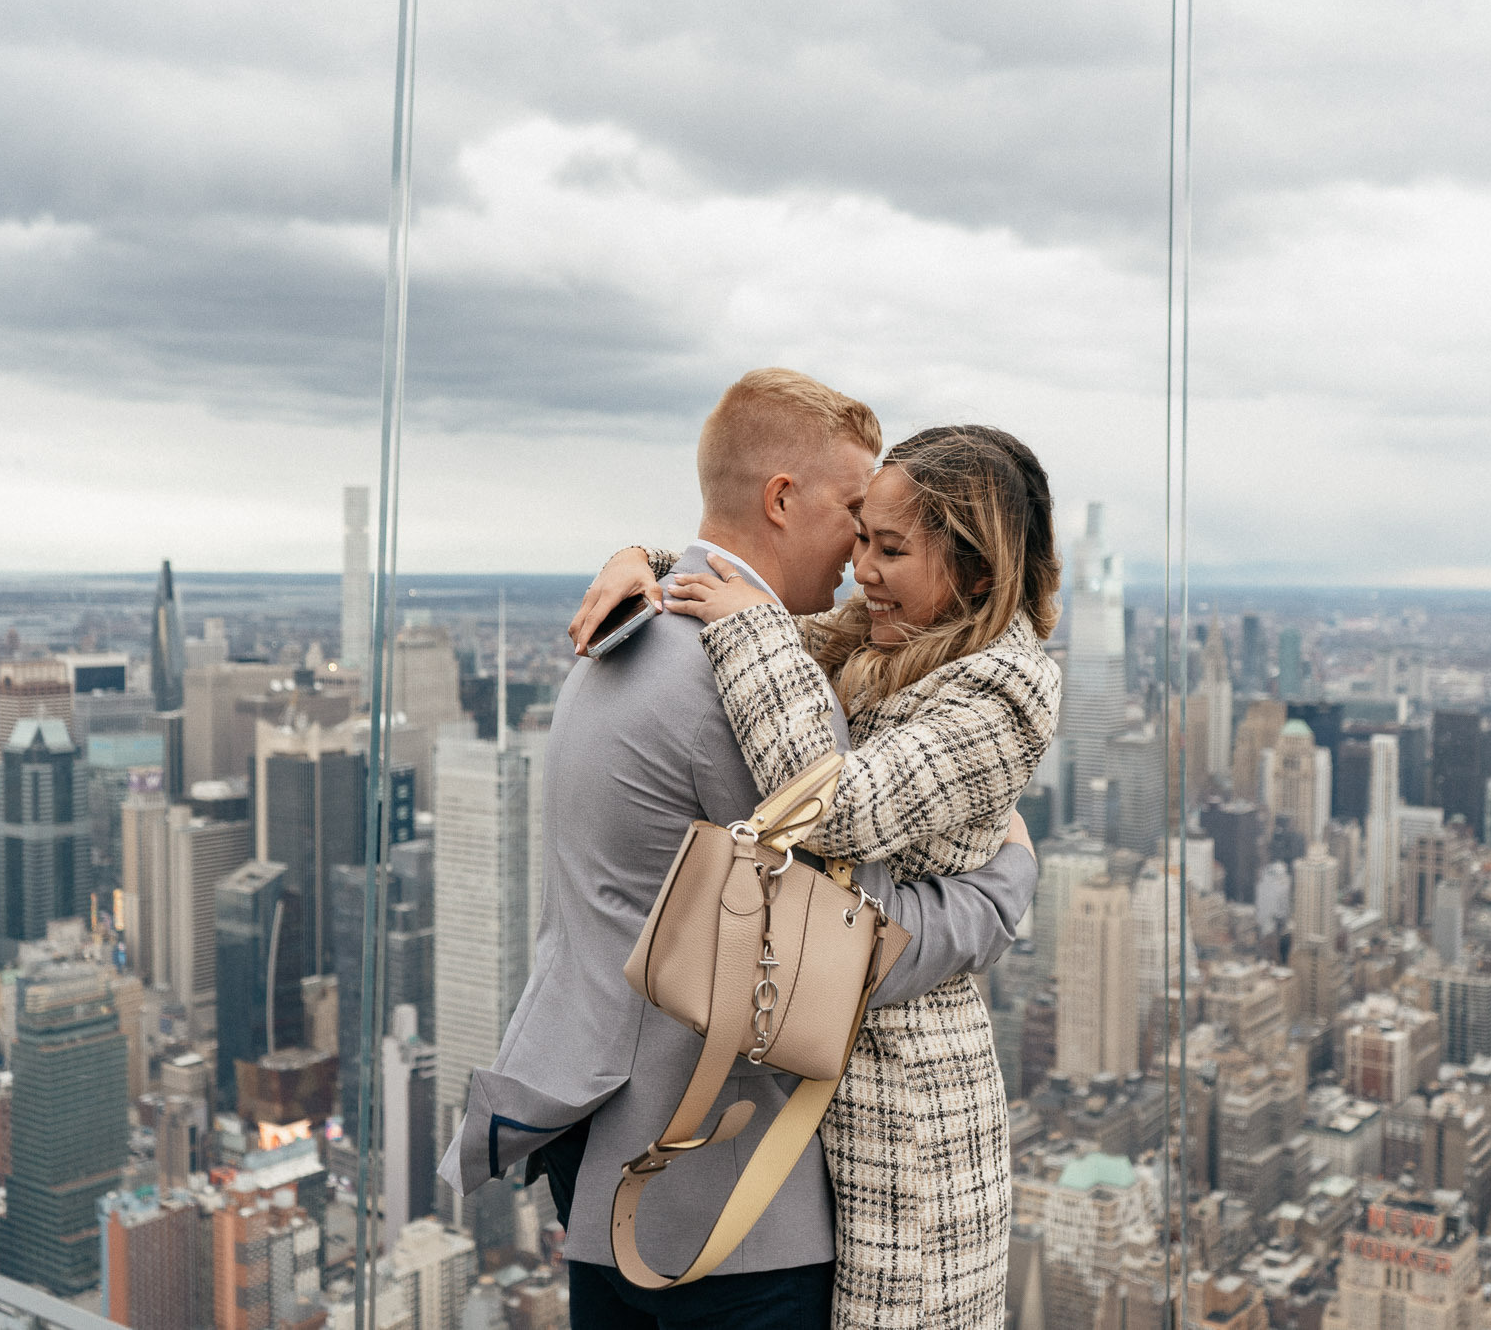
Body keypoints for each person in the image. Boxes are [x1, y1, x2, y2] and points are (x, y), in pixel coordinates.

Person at [440, 369, 1039, 1329]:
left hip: (604, 1168)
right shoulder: (748, 685)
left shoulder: (626, 633)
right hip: (728, 1205)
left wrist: (645, 552)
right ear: (782, 499)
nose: (858, 551)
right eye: (855, 514)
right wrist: (1006, 884)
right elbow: (853, 946)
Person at [580, 423, 1062, 1328]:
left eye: (891, 548)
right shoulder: (877, 638)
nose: (860, 566)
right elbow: (745, 609)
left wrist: (753, 630)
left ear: (977, 574)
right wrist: (644, 560)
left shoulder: (1005, 688)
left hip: (912, 1101)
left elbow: (835, 804)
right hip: (827, 1078)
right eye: (862, 535)